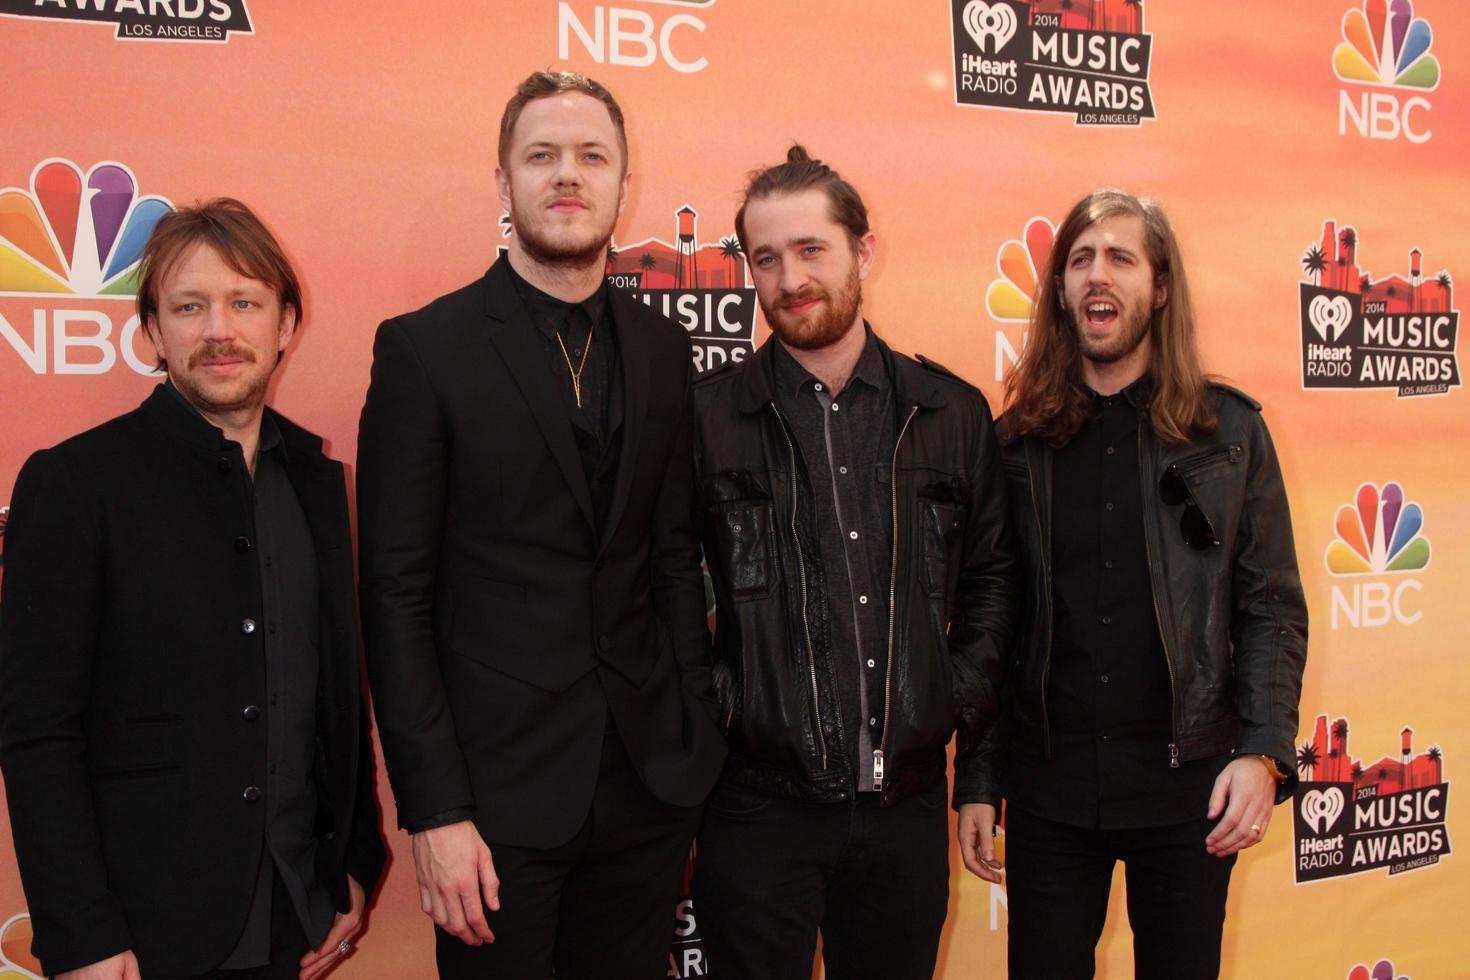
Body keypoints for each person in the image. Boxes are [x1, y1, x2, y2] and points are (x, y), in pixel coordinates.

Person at [356, 70, 726, 979]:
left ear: (623, 184)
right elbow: (394, 600)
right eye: (542, 156)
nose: (568, 175)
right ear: (504, 182)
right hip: (492, 807)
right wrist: (434, 811)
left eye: (591, 156)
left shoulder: (661, 349)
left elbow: (672, 559)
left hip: (644, 792)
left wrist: (691, 738)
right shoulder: (425, 349)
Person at [0, 198, 385, 980]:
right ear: (151, 334)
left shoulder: (318, 484)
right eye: (189, 306)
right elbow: (37, 732)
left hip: (293, 916)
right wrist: (82, 937)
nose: (220, 330)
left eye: (244, 302)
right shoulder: (75, 484)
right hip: (144, 935)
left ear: (284, 326)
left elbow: (335, 696)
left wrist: (352, 859)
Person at [689, 145, 1018, 980]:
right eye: (766, 259)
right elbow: (663, 593)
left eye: (811, 250)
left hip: (904, 812)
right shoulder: (706, 419)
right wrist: (726, 708)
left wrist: (950, 703)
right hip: (756, 807)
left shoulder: (950, 413)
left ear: (862, 251)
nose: (789, 279)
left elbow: (990, 585)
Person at [963, 189, 1308, 979]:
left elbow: (1271, 609)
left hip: (1191, 796)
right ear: (1060, 292)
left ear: (1158, 288)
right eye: (1080, 259)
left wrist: (1262, 752)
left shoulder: (1230, 435)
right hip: (1049, 797)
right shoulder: (1015, 444)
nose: (1096, 275)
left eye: (1120, 257)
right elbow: (992, 621)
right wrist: (979, 778)